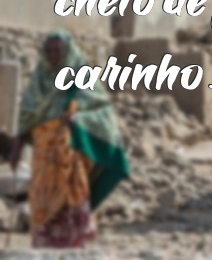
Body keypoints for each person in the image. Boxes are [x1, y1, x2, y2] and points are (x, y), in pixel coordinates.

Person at [10, 30, 130, 248]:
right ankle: (45, 246)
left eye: (58, 51)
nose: (54, 56)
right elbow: (26, 119)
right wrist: (17, 148)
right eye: (49, 51)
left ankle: (73, 246)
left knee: (71, 200)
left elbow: (103, 113)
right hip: (43, 160)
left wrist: (78, 119)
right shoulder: (38, 82)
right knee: (43, 204)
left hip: (70, 154)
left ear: (68, 51)